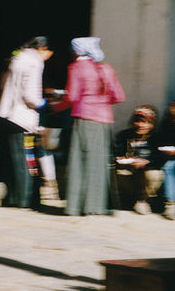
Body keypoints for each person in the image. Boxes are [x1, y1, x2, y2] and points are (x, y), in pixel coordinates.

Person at [52, 36, 125, 216]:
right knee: (99, 163)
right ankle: (96, 206)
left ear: (77, 50)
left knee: (80, 162)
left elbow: (72, 97)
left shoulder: (76, 68)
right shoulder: (106, 69)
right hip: (105, 121)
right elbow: (119, 96)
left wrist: (55, 107)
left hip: (85, 119)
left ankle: (77, 206)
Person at [0, 36, 52, 209]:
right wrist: (45, 103)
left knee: (12, 160)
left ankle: (13, 197)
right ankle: (24, 199)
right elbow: (30, 96)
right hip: (23, 118)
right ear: (43, 49)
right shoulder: (34, 62)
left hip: (6, 114)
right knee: (25, 162)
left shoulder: (17, 58)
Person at [114, 104, 164, 215]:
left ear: (152, 124)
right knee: (114, 171)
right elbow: (114, 153)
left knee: (155, 174)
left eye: (146, 122)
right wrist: (120, 159)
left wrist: (146, 162)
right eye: (138, 121)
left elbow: (160, 159)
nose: (141, 125)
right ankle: (124, 199)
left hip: (145, 178)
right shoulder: (124, 136)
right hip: (128, 176)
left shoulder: (157, 139)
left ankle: (143, 201)